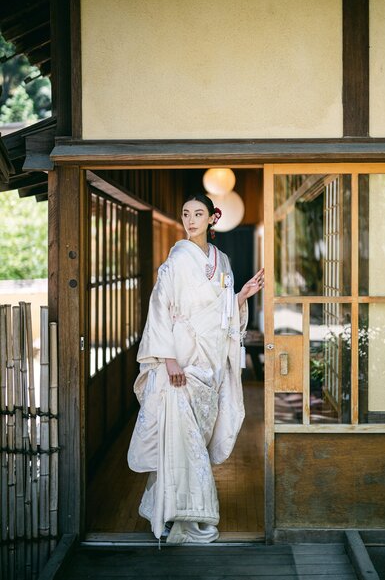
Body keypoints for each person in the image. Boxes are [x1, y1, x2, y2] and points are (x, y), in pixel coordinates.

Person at [127, 193, 264, 544]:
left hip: (209, 365)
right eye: (186, 213)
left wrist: (241, 296)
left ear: (211, 219)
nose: (191, 219)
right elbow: (160, 309)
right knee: (178, 440)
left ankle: (175, 509)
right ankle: (183, 515)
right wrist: (168, 358)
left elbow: (222, 316)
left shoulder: (224, 262)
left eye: (198, 213)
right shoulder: (176, 260)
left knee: (195, 442)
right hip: (178, 366)